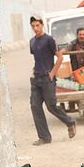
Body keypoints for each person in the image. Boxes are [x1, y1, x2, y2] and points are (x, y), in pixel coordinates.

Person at [29, 15, 76, 145]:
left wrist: (52, 73)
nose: (35, 28)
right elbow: (37, 58)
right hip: (36, 79)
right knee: (35, 106)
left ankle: (70, 122)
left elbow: (59, 57)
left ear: (42, 25)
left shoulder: (49, 40)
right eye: (33, 26)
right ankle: (44, 137)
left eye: (37, 25)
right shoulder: (32, 42)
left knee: (51, 106)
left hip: (47, 79)